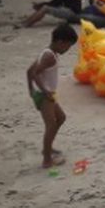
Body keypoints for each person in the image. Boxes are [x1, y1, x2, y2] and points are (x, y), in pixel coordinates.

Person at [27, 24, 77, 167]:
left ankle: (47, 149)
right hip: (45, 96)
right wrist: (44, 91)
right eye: (67, 47)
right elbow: (35, 73)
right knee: (50, 125)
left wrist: (30, 89)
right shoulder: (50, 57)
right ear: (60, 42)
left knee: (61, 118)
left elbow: (29, 70)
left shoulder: (47, 52)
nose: (67, 50)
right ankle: (47, 159)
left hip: (46, 94)